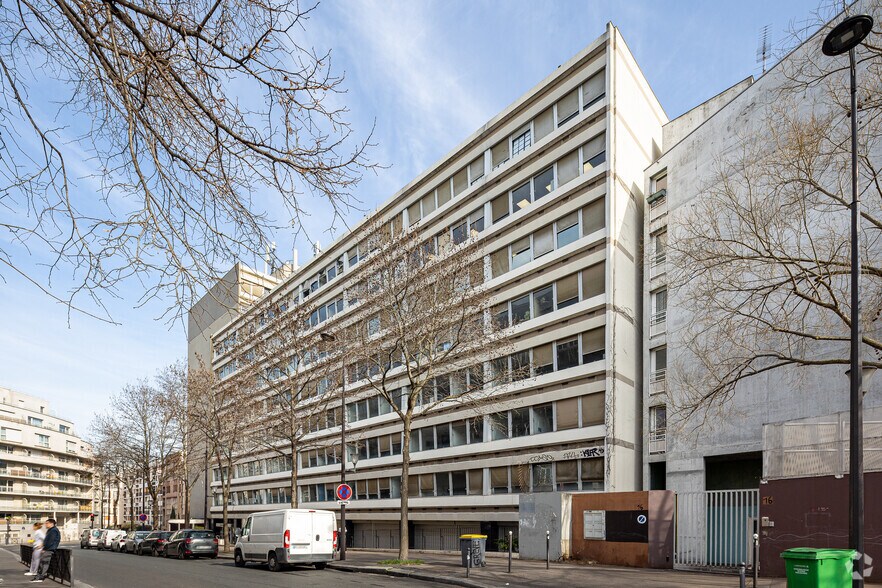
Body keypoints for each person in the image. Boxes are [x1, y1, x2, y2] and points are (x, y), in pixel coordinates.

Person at [31, 519, 59, 583]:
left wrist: (44, 548)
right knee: (42, 563)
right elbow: (47, 540)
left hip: (49, 549)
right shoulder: (51, 530)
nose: (45, 525)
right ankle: (39, 577)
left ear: (51, 524)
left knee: (44, 563)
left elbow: (50, 541)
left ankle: (40, 577)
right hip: (48, 549)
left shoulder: (53, 531)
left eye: (47, 523)